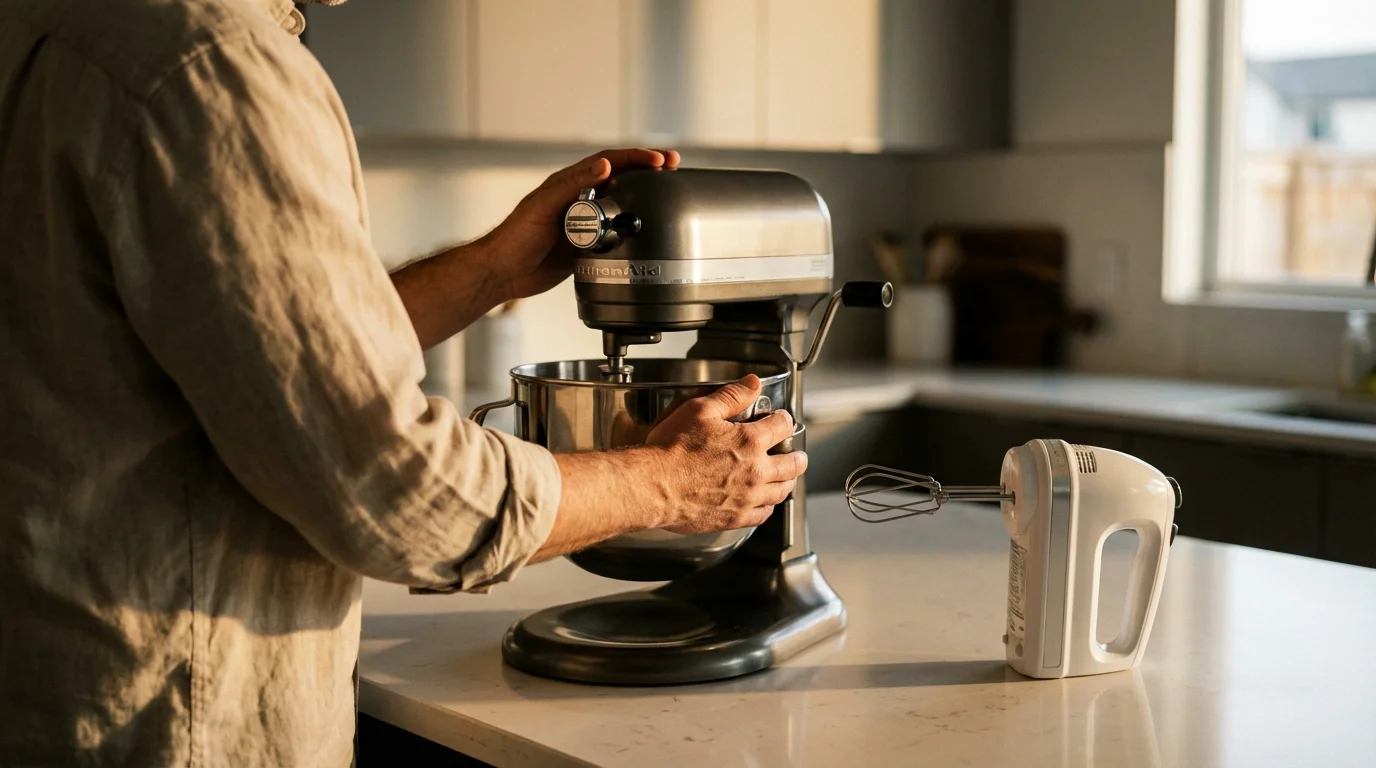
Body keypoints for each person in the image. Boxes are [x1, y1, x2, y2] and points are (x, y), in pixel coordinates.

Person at [0, 0, 808, 764]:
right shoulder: (213, 64)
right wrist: (663, 485)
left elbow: (255, 351)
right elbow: (391, 487)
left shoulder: (54, 25)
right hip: (170, 728)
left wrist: (490, 269)